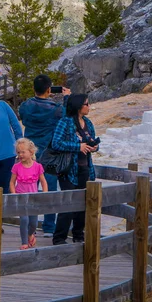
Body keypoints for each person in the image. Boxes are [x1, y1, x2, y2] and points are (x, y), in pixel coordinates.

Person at [19, 74, 70, 238]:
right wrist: (67, 98)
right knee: (50, 189)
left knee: (27, 189)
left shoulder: (25, 106)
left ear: (34, 88)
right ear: (49, 89)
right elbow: (68, 118)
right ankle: (49, 226)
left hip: (29, 152)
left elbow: (23, 117)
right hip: (49, 154)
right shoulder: (56, 109)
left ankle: (27, 225)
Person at [51, 94, 98, 246]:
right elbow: (56, 143)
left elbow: (90, 142)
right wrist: (77, 147)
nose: (89, 106)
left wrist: (94, 146)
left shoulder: (88, 123)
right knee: (68, 204)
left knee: (82, 204)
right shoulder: (65, 122)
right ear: (79, 106)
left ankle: (78, 235)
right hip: (68, 170)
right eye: (86, 104)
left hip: (85, 168)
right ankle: (59, 238)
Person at [10, 138, 48, 250]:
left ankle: (31, 234)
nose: (20, 155)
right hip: (21, 197)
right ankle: (24, 242)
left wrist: (44, 194)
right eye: (18, 152)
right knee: (24, 219)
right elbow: (12, 182)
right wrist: (14, 194)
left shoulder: (37, 166)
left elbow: (43, 181)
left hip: (34, 198)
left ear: (31, 152)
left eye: (23, 152)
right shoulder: (16, 167)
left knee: (33, 223)